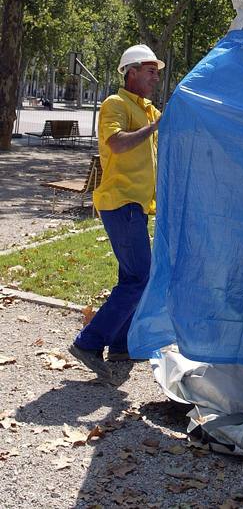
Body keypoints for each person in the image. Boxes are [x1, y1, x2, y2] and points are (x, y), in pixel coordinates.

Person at [69, 44, 164, 380]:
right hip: (119, 202)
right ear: (131, 71)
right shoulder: (116, 104)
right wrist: (154, 128)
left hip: (136, 205)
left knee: (133, 277)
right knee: (141, 276)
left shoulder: (149, 109)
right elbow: (118, 143)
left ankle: (121, 345)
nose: (156, 77)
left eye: (157, 71)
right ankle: (89, 342)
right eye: (150, 70)